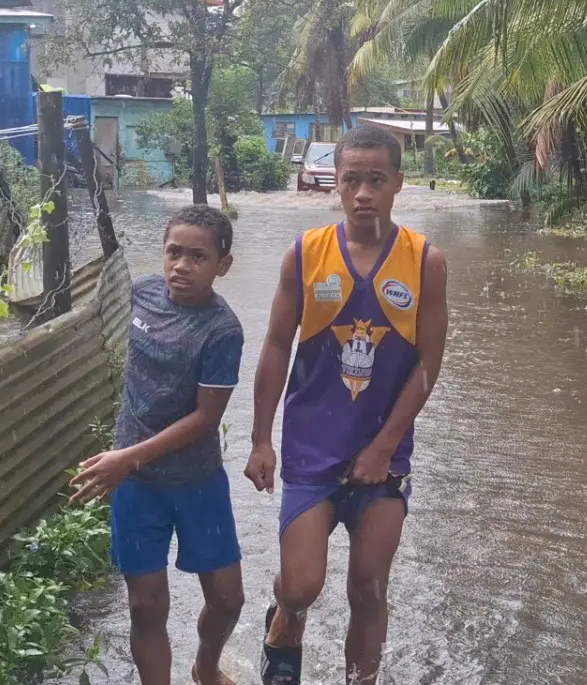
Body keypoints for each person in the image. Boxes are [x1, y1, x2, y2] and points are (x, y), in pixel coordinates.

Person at [245, 125, 450, 685]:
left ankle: (361, 680)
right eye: (352, 179)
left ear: (398, 184)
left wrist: (384, 447)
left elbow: (429, 364)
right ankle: (285, 618)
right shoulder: (305, 255)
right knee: (301, 584)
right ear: (334, 182)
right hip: (313, 448)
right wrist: (262, 439)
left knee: (368, 586)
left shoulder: (425, 262)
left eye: (376, 180)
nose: (363, 193)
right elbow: (275, 347)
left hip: (385, 458)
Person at [71, 204, 246, 685]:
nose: (181, 266)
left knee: (228, 598)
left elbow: (206, 419)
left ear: (222, 266)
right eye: (173, 252)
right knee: (146, 605)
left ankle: (205, 666)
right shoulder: (143, 293)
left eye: (197, 257)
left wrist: (125, 457)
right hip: (137, 483)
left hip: (196, 479)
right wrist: (126, 458)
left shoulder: (222, 330)